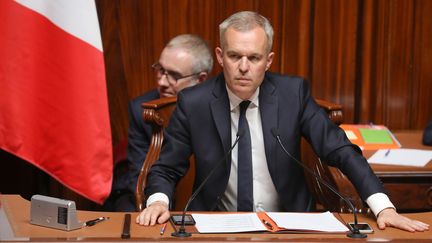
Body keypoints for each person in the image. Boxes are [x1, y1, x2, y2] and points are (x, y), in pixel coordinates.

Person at [136, 11, 429, 232]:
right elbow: (166, 168)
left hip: (290, 224)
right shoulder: (195, 103)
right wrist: (159, 201)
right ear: (220, 56)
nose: (243, 67)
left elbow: (339, 149)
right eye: (234, 55)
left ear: (269, 60)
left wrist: (382, 206)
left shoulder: (293, 94)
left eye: (254, 57)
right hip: (217, 225)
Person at [104, 34, 213, 211]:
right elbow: (138, 173)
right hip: (147, 196)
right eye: (160, 70)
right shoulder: (142, 110)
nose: (162, 82)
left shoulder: (218, 110)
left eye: (174, 75)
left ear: (200, 79)